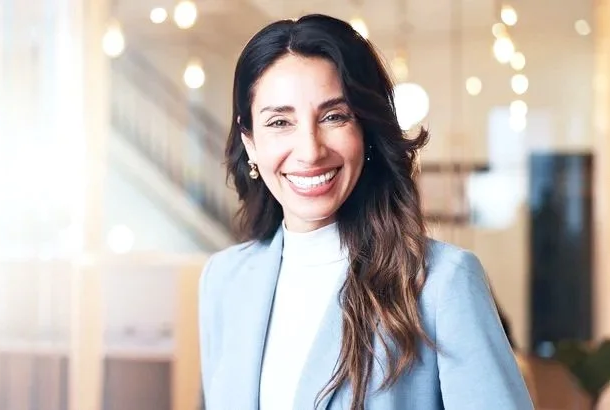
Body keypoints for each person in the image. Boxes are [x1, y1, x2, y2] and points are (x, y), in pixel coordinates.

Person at [197, 14, 533, 410]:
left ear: (366, 130)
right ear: (250, 142)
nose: (310, 150)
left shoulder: (442, 283)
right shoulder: (224, 281)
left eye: (334, 116)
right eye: (280, 122)